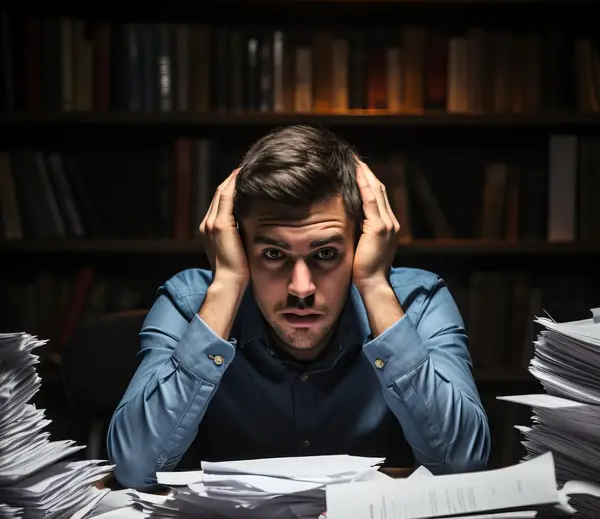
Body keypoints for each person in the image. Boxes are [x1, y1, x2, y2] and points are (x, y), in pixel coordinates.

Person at [107, 125, 490, 489]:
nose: (301, 288)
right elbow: (136, 467)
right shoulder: (190, 302)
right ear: (238, 247)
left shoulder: (416, 302)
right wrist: (226, 284)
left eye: (326, 253)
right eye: (273, 253)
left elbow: (462, 465)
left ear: (363, 242)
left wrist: (373, 283)